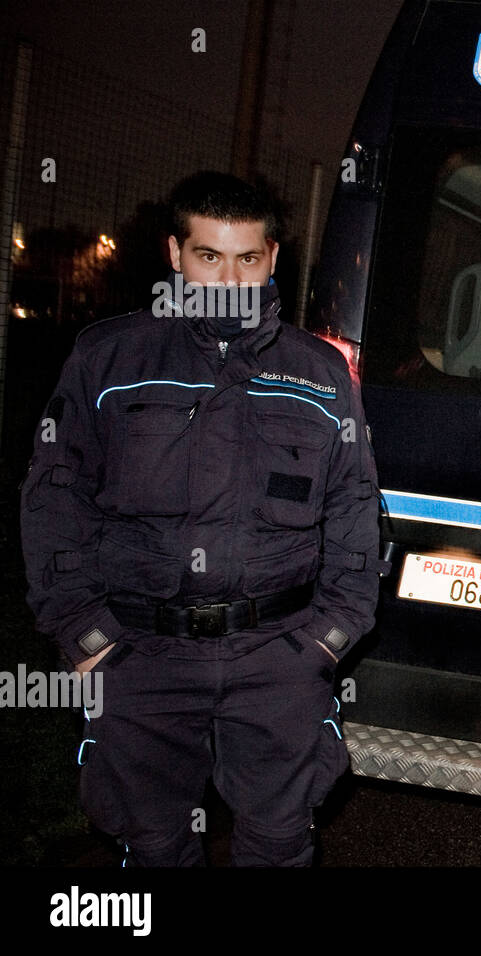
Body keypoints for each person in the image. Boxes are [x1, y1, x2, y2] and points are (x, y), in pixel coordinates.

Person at [20, 171, 385, 866]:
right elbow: (52, 501)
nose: (228, 277)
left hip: (277, 657)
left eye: (247, 258)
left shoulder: (320, 372)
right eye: (208, 256)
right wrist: (86, 638)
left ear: (273, 258)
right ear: (175, 253)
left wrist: (325, 643)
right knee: (155, 848)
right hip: (139, 655)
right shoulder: (108, 358)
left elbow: (355, 510)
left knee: (279, 845)